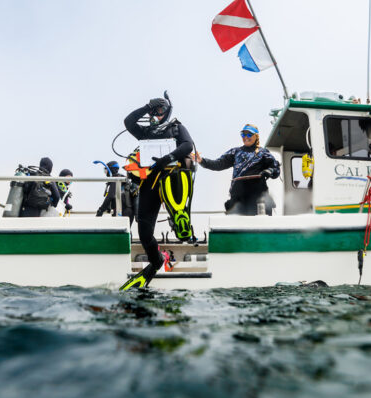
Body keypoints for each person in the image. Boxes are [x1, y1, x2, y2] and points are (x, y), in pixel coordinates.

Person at [120, 96, 194, 289]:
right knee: (144, 232)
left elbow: (187, 145)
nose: (155, 115)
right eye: (153, 112)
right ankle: (157, 261)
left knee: (179, 217)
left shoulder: (176, 127)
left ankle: (180, 219)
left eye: (159, 111)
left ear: (167, 111)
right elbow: (128, 122)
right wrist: (146, 107)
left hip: (172, 178)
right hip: (150, 183)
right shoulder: (145, 132)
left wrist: (167, 158)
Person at [193, 124, 280, 215]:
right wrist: (201, 161)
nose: (246, 137)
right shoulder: (235, 152)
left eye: (249, 134)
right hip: (238, 199)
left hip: (258, 201)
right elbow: (218, 164)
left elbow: (276, 169)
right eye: (243, 134)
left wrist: (269, 171)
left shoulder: (263, 153)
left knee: (259, 225)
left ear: (256, 136)